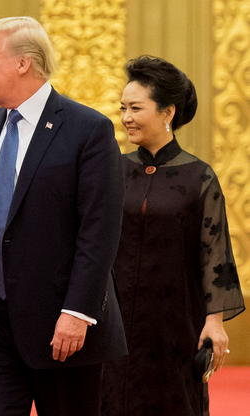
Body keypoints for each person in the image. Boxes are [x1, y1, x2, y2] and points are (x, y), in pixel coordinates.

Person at [0, 16, 128, 415]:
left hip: (62, 328)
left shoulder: (88, 129)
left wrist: (78, 312)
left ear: (24, 62)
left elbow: (100, 230)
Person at [100, 55, 245, 415]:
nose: (126, 117)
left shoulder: (199, 176)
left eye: (135, 108)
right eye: (122, 108)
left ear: (167, 113)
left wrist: (214, 322)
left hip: (176, 322)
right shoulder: (114, 168)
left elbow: (214, 253)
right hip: (114, 320)